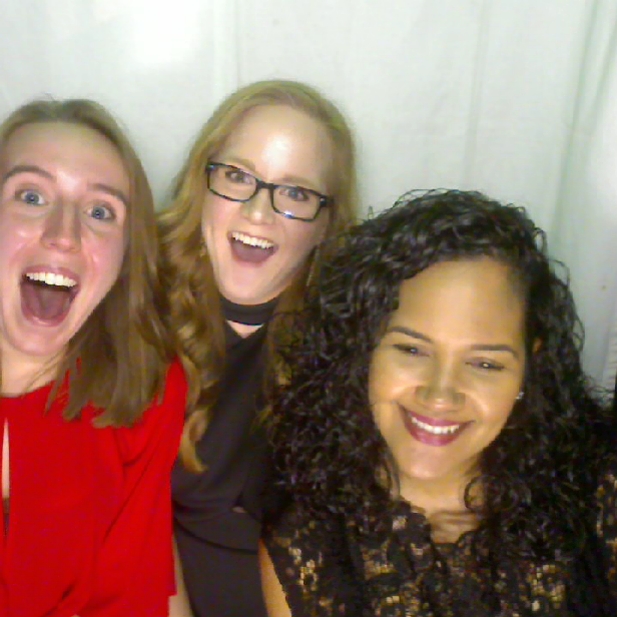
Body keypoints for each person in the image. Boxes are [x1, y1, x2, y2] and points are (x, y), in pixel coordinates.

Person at [260, 190, 617, 616]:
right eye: (412, 350)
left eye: (485, 363)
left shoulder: (599, 491)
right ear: (364, 349)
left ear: (529, 368)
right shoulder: (305, 551)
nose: (440, 394)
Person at [158, 79, 358, 617]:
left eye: (295, 193)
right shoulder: (132, 306)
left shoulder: (351, 338)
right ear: (202, 183)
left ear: (326, 223)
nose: (258, 212)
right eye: (238, 177)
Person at [0, 98, 186, 617]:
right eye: (31, 196)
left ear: (125, 255)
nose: (64, 234)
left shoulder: (144, 388)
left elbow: (129, 597)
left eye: (101, 211)